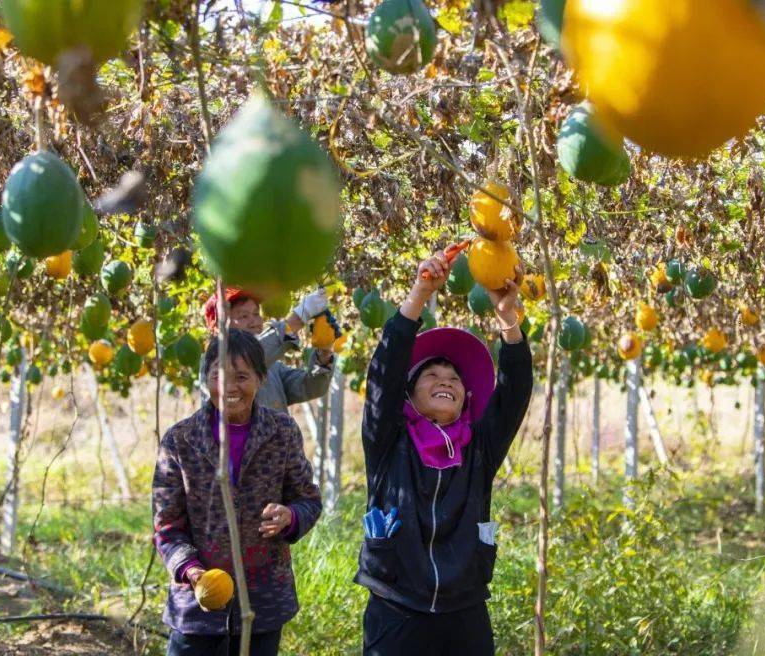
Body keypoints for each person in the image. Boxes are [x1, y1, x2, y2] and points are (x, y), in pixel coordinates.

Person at [354, 252, 533, 655]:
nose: (445, 381)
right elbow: (384, 371)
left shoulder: (479, 448)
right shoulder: (388, 442)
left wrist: (507, 316)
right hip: (396, 608)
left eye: (454, 379)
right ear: (409, 394)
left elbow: (516, 390)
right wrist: (420, 292)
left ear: (466, 398)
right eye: (431, 375)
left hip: (464, 611)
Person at [153, 329, 322, 656]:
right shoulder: (180, 441)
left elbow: (308, 500)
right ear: (205, 380)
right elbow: (166, 525)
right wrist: (191, 570)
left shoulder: (282, 432)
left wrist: (291, 517)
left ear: (261, 379)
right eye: (219, 375)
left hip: (264, 601)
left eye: (242, 376)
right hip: (197, 606)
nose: (230, 387)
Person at [202, 287, 335, 414]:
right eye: (243, 316)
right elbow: (248, 356)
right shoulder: (216, 362)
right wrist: (300, 316)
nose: (254, 321)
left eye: (256, 314)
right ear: (218, 328)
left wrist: (324, 354)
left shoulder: (273, 368)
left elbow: (311, 388)